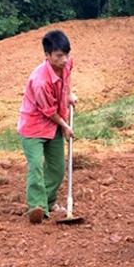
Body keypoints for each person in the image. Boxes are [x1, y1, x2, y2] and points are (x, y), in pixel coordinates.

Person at [18, 30, 77, 224]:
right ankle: (37, 207)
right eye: (59, 56)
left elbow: (67, 78)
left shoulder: (66, 64)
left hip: (53, 126)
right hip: (33, 126)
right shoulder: (40, 81)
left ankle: (49, 201)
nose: (64, 59)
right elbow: (48, 111)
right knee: (35, 166)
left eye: (66, 54)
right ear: (47, 55)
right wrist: (66, 126)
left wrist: (68, 94)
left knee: (58, 168)